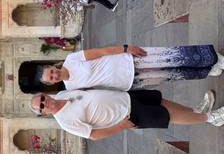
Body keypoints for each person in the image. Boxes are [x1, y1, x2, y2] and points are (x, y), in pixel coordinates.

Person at [37, 44, 223, 113]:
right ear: (52, 83)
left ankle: (214, 58)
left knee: (171, 56)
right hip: (128, 82)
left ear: (53, 67)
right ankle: (207, 70)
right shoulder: (71, 88)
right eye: (51, 78)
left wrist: (126, 48)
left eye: (51, 71)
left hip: (127, 60)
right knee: (170, 74)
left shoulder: (72, 59)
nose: (54, 75)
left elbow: (100, 52)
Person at [30, 89, 224, 141]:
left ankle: (197, 111)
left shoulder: (62, 94)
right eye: (41, 106)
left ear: (45, 95)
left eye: (42, 99)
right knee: (167, 115)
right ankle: (211, 119)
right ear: (43, 113)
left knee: (162, 102)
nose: (45, 102)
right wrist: (121, 126)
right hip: (126, 116)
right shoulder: (65, 122)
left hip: (126, 98)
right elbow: (94, 135)